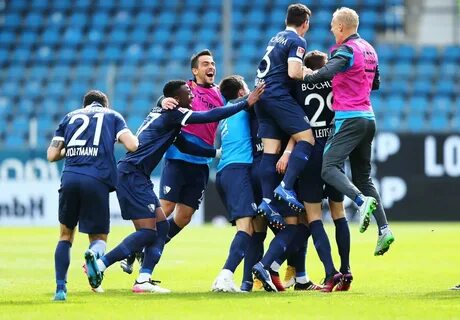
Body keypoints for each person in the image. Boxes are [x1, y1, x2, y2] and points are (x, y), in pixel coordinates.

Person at [84, 80, 265, 293]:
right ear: (177, 99)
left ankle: (143, 279)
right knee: (149, 232)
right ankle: (101, 263)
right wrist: (245, 103)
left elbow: (184, 144)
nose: (193, 97)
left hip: (136, 174)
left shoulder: (164, 114)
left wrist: (215, 153)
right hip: (131, 174)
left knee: (161, 228)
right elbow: (208, 116)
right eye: (189, 93)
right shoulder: (175, 113)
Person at [302, 7, 395, 256]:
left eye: (333, 25)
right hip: (369, 117)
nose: (332, 29)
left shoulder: (345, 50)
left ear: (341, 27)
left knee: (328, 167)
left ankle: (361, 201)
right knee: (364, 178)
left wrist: (306, 74)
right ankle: (384, 229)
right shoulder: (370, 50)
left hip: (349, 118)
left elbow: (325, 73)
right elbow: (375, 83)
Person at [47, 90, 139, 301]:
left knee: (65, 236)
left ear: (85, 105)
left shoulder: (70, 117)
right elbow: (132, 145)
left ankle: (60, 289)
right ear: (104, 104)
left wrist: (70, 149)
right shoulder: (113, 116)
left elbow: (52, 155)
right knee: (98, 238)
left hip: (69, 178)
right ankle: (94, 256)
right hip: (96, 180)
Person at [251, 3, 317, 293]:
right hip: (278, 96)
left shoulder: (275, 37)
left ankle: (267, 199)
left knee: (270, 150)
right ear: (304, 23)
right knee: (307, 138)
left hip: (262, 96)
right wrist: (313, 74)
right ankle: (285, 187)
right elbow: (292, 71)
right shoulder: (297, 40)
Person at [279, 50, 352, 292]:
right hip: (335, 155)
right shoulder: (336, 81)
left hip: (309, 156)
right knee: (338, 212)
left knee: (314, 217)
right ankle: (347, 269)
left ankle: (332, 273)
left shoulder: (299, 87)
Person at [160, 49, 224, 242]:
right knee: (166, 207)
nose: (211, 66)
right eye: (205, 64)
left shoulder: (220, 94)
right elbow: (163, 101)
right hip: (178, 157)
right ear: (195, 71)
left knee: (184, 216)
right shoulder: (185, 89)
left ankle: (154, 243)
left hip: (201, 160)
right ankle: (137, 245)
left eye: (212, 63)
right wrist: (163, 100)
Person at [211, 75, 263, 292]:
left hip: (223, 173)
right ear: (242, 93)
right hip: (238, 170)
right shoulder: (244, 106)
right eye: (246, 88)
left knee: (250, 228)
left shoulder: (225, 115)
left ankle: (246, 283)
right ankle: (225, 275)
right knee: (245, 228)